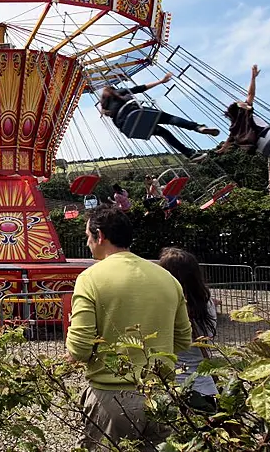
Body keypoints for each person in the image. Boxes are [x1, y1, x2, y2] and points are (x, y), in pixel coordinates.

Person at [66, 205, 192, 451]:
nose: (88, 243)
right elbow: (183, 339)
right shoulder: (168, 279)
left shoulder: (90, 278)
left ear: (100, 236)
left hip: (112, 396)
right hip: (160, 394)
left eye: (88, 237)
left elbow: (79, 349)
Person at [100, 72, 218, 162]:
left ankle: (189, 154)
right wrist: (161, 81)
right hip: (136, 113)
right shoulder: (119, 92)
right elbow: (141, 88)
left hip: (129, 127)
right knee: (170, 119)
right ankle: (198, 127)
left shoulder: (106, 109)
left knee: (163, 133)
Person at [158, 247, 218, 413]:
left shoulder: (166, 306)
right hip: (206, 386)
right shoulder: (206, 302)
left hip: (176, 387)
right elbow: (210, 335)